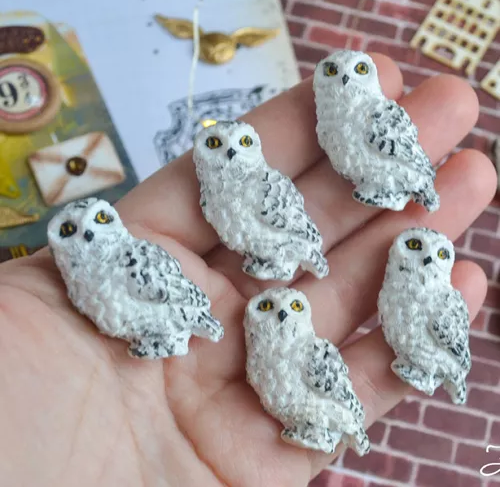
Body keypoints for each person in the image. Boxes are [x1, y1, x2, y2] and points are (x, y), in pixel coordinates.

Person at [0, 53, 495, 486]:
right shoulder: (186, 218)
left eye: (240, 146)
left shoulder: (300, 163)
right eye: (74, 233)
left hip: (312, 240)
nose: (88, 237)